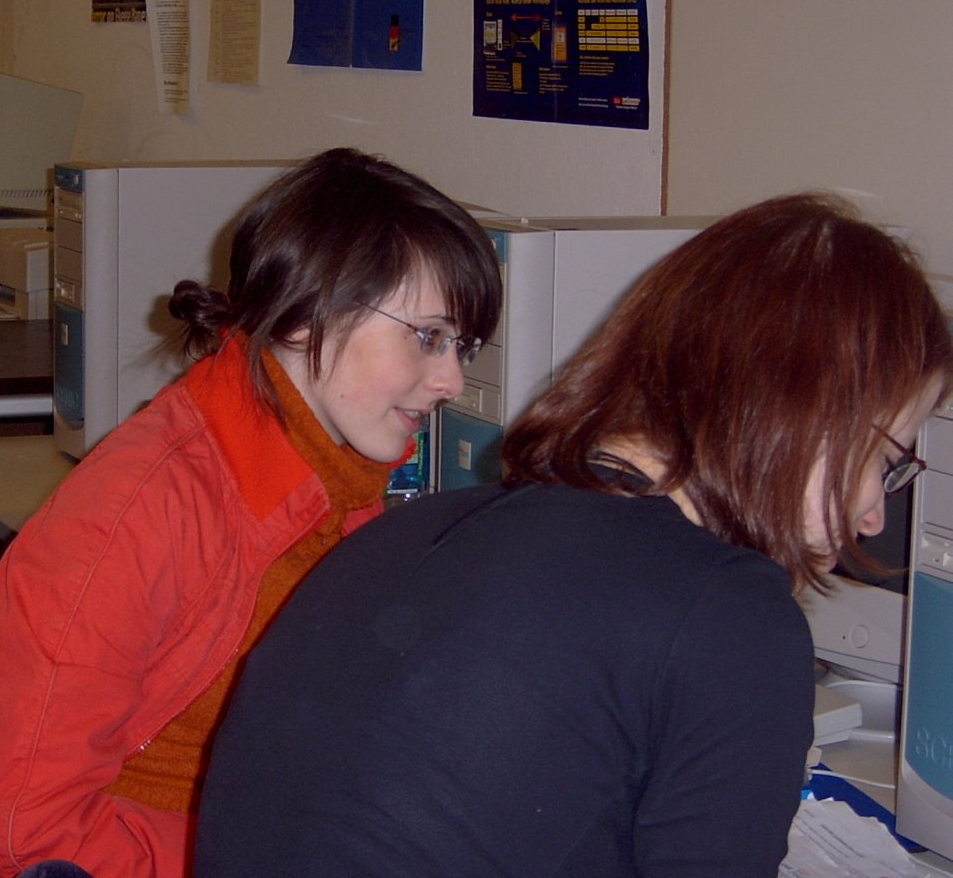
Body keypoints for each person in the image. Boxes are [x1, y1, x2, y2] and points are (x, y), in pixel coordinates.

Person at [194, 193, 953, 878]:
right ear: (806, 412)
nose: (875, 517)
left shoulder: (411, 532)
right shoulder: (728, 617)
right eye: (885, 460)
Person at [0, 147, 504, 878]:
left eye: (461, 346)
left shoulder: (333, 491)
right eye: (429, 336)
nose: (450, 381)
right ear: (310, 315)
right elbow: (25, 844)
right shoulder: (139, 513)